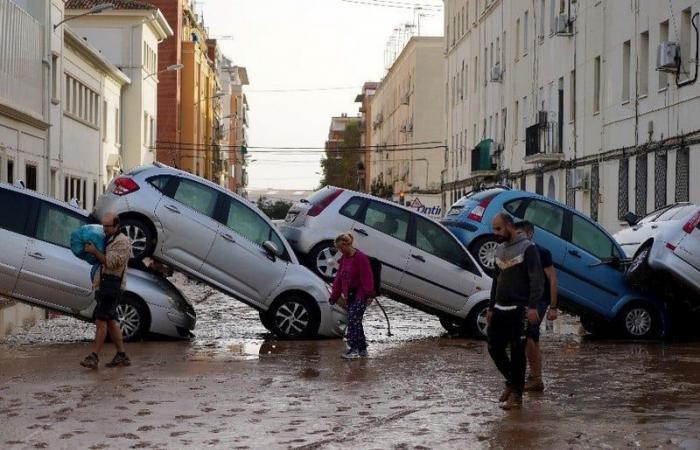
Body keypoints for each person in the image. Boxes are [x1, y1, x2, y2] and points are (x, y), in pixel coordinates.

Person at [487, 213, 544, 409]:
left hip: (520, 309)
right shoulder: (499, 250)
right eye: (494, 229)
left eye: (498, 229)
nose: (495, 234)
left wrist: (533, 306)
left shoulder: (528, 249)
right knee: (494, 347)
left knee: (518, 352)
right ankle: (513, 382)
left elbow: (537, 280)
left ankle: (517, 396)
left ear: (509, 226)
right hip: (500, 308)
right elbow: (496, 280)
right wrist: (490, 307)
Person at [80, 213, 131, 369]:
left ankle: (94, 356)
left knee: (101, 320)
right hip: (104, 285)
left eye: (107, 226)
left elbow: (110, 263)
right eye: (103, 225)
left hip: (112, 287)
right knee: (111, 321)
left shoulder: (122, 242)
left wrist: (95, 251)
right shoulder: (109, 238)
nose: (104, 229)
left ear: (116, 226)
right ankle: (122, 355)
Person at [514, 220, 559, 392]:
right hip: (524, 300)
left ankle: (536, 379)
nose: (517, 238)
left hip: (540, 300)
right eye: (515, 234)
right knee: (531, 338)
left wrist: (553, 307)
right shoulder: (517, 252)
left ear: (530, 234)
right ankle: (534, 377)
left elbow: (553, 279)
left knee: (528, 336)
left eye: (520, 234)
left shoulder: (542, 252)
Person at [329, 232, 374, 359]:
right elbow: (338, 279)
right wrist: (334, 296)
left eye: (341, 248)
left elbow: (367, 277)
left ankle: (353, 349)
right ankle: (362, 349)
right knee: (356, 321)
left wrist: (369, 295)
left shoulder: (361, 258)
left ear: (347, 244)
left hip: (361, 294)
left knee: (353, 319)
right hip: (350, 296)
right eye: (338, 249)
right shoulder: (344, 260)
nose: (340, 251)